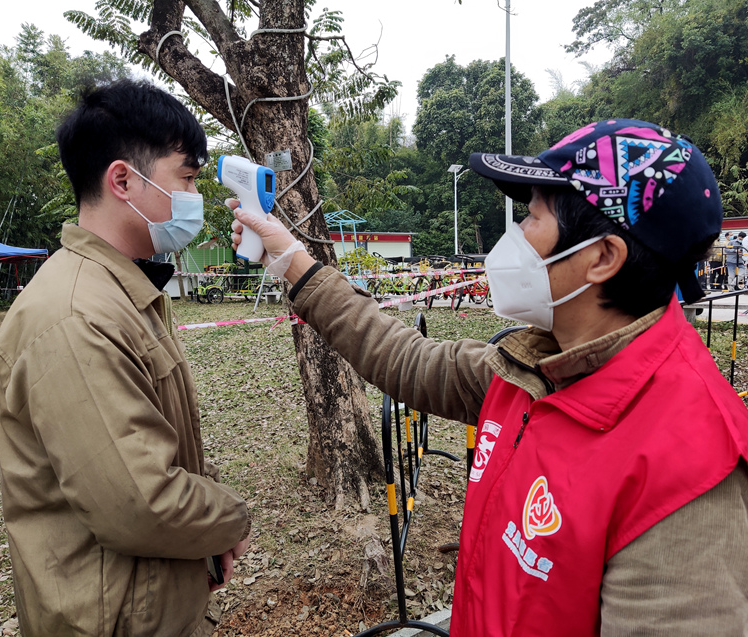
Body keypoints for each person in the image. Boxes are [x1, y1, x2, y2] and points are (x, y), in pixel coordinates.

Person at [231, 119, 748, 635]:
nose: (516, 236)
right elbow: (405, 358)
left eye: (532, 217)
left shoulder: (692, 473)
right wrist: (292, 261)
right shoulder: (532, 367)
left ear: (602, 258)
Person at [0, 79, 250, 637]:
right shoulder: (75, 316)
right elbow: (141, 502)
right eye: (185, 178)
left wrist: (199, 549)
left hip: (148, 604)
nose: (193, 198)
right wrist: (230, 521)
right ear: (122, 180)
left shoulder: (123, 292)